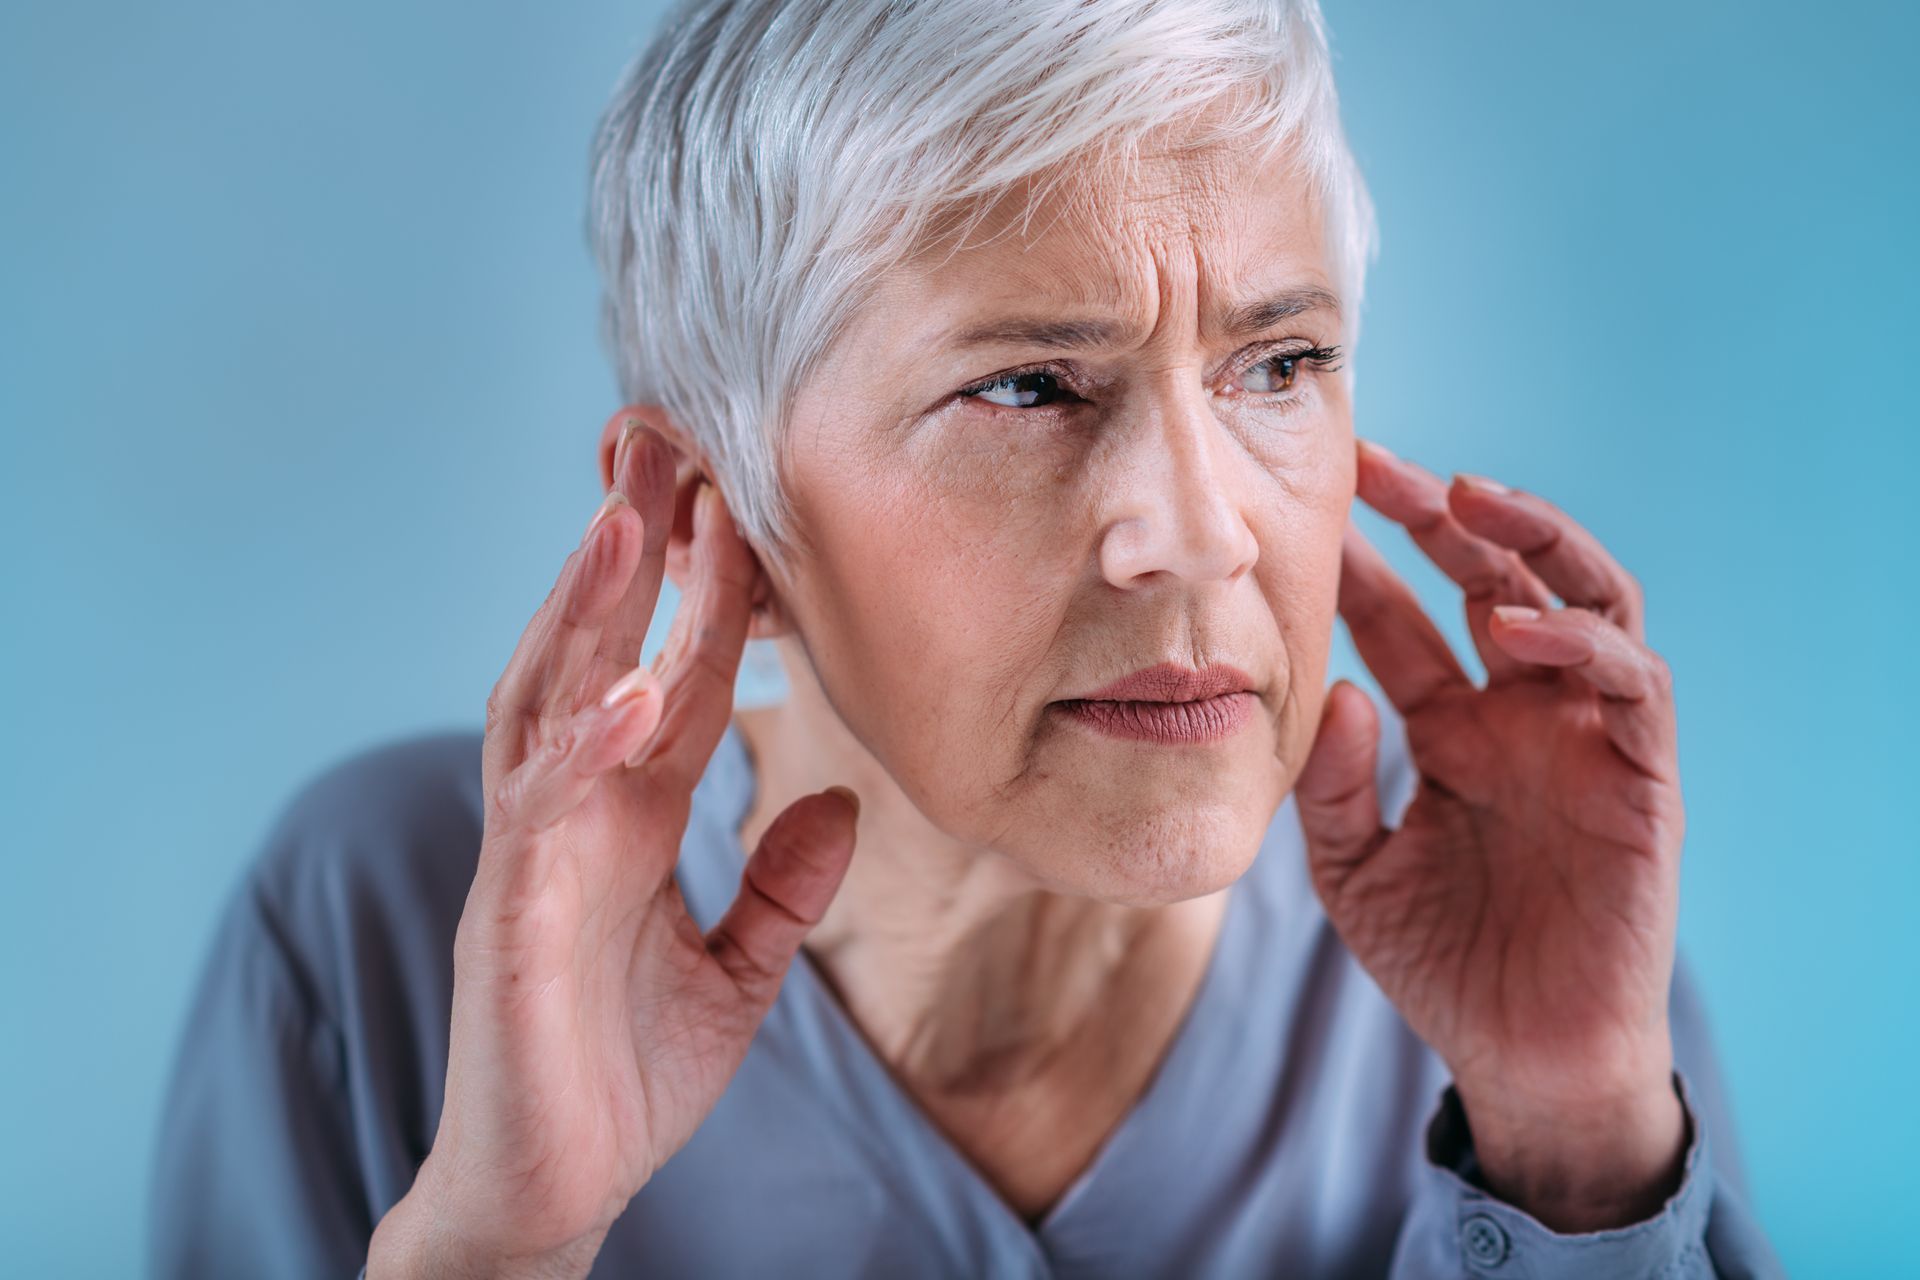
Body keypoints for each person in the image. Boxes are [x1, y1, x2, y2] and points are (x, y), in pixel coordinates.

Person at [148, 0, 1788, 1275]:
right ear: (727, 525)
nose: (1206, 530)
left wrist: (1575, 1152)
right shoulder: (386, 928)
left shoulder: (1520, 951)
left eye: (1277, 364)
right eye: (1028, 387)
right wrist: (494, 1256)